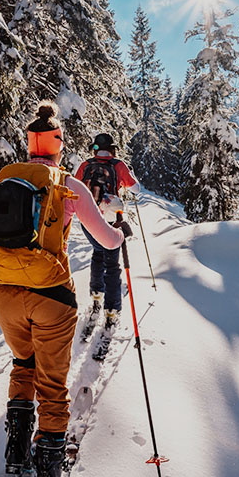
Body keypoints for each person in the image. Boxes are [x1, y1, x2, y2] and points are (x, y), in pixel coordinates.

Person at [0, 102, 132, 477]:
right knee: (52, 385)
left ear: (29, 143)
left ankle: (17, 451)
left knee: (23, 364)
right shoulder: (68, 185)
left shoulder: (2, 179)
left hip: (3, 292)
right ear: (57, 146)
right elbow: (106, 240)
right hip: (52, 295)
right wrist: (121, 233)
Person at [73, 132, 141, 331]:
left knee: (97, 253)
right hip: (110, 219)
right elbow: (137, 189)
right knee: (112, 263)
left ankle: (96, 294)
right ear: (112, 148)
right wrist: (130, 176)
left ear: (95, 148)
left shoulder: (86, 165)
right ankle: (112, 309)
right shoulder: (118, 165)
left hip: (88, 220)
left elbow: (76, 189)